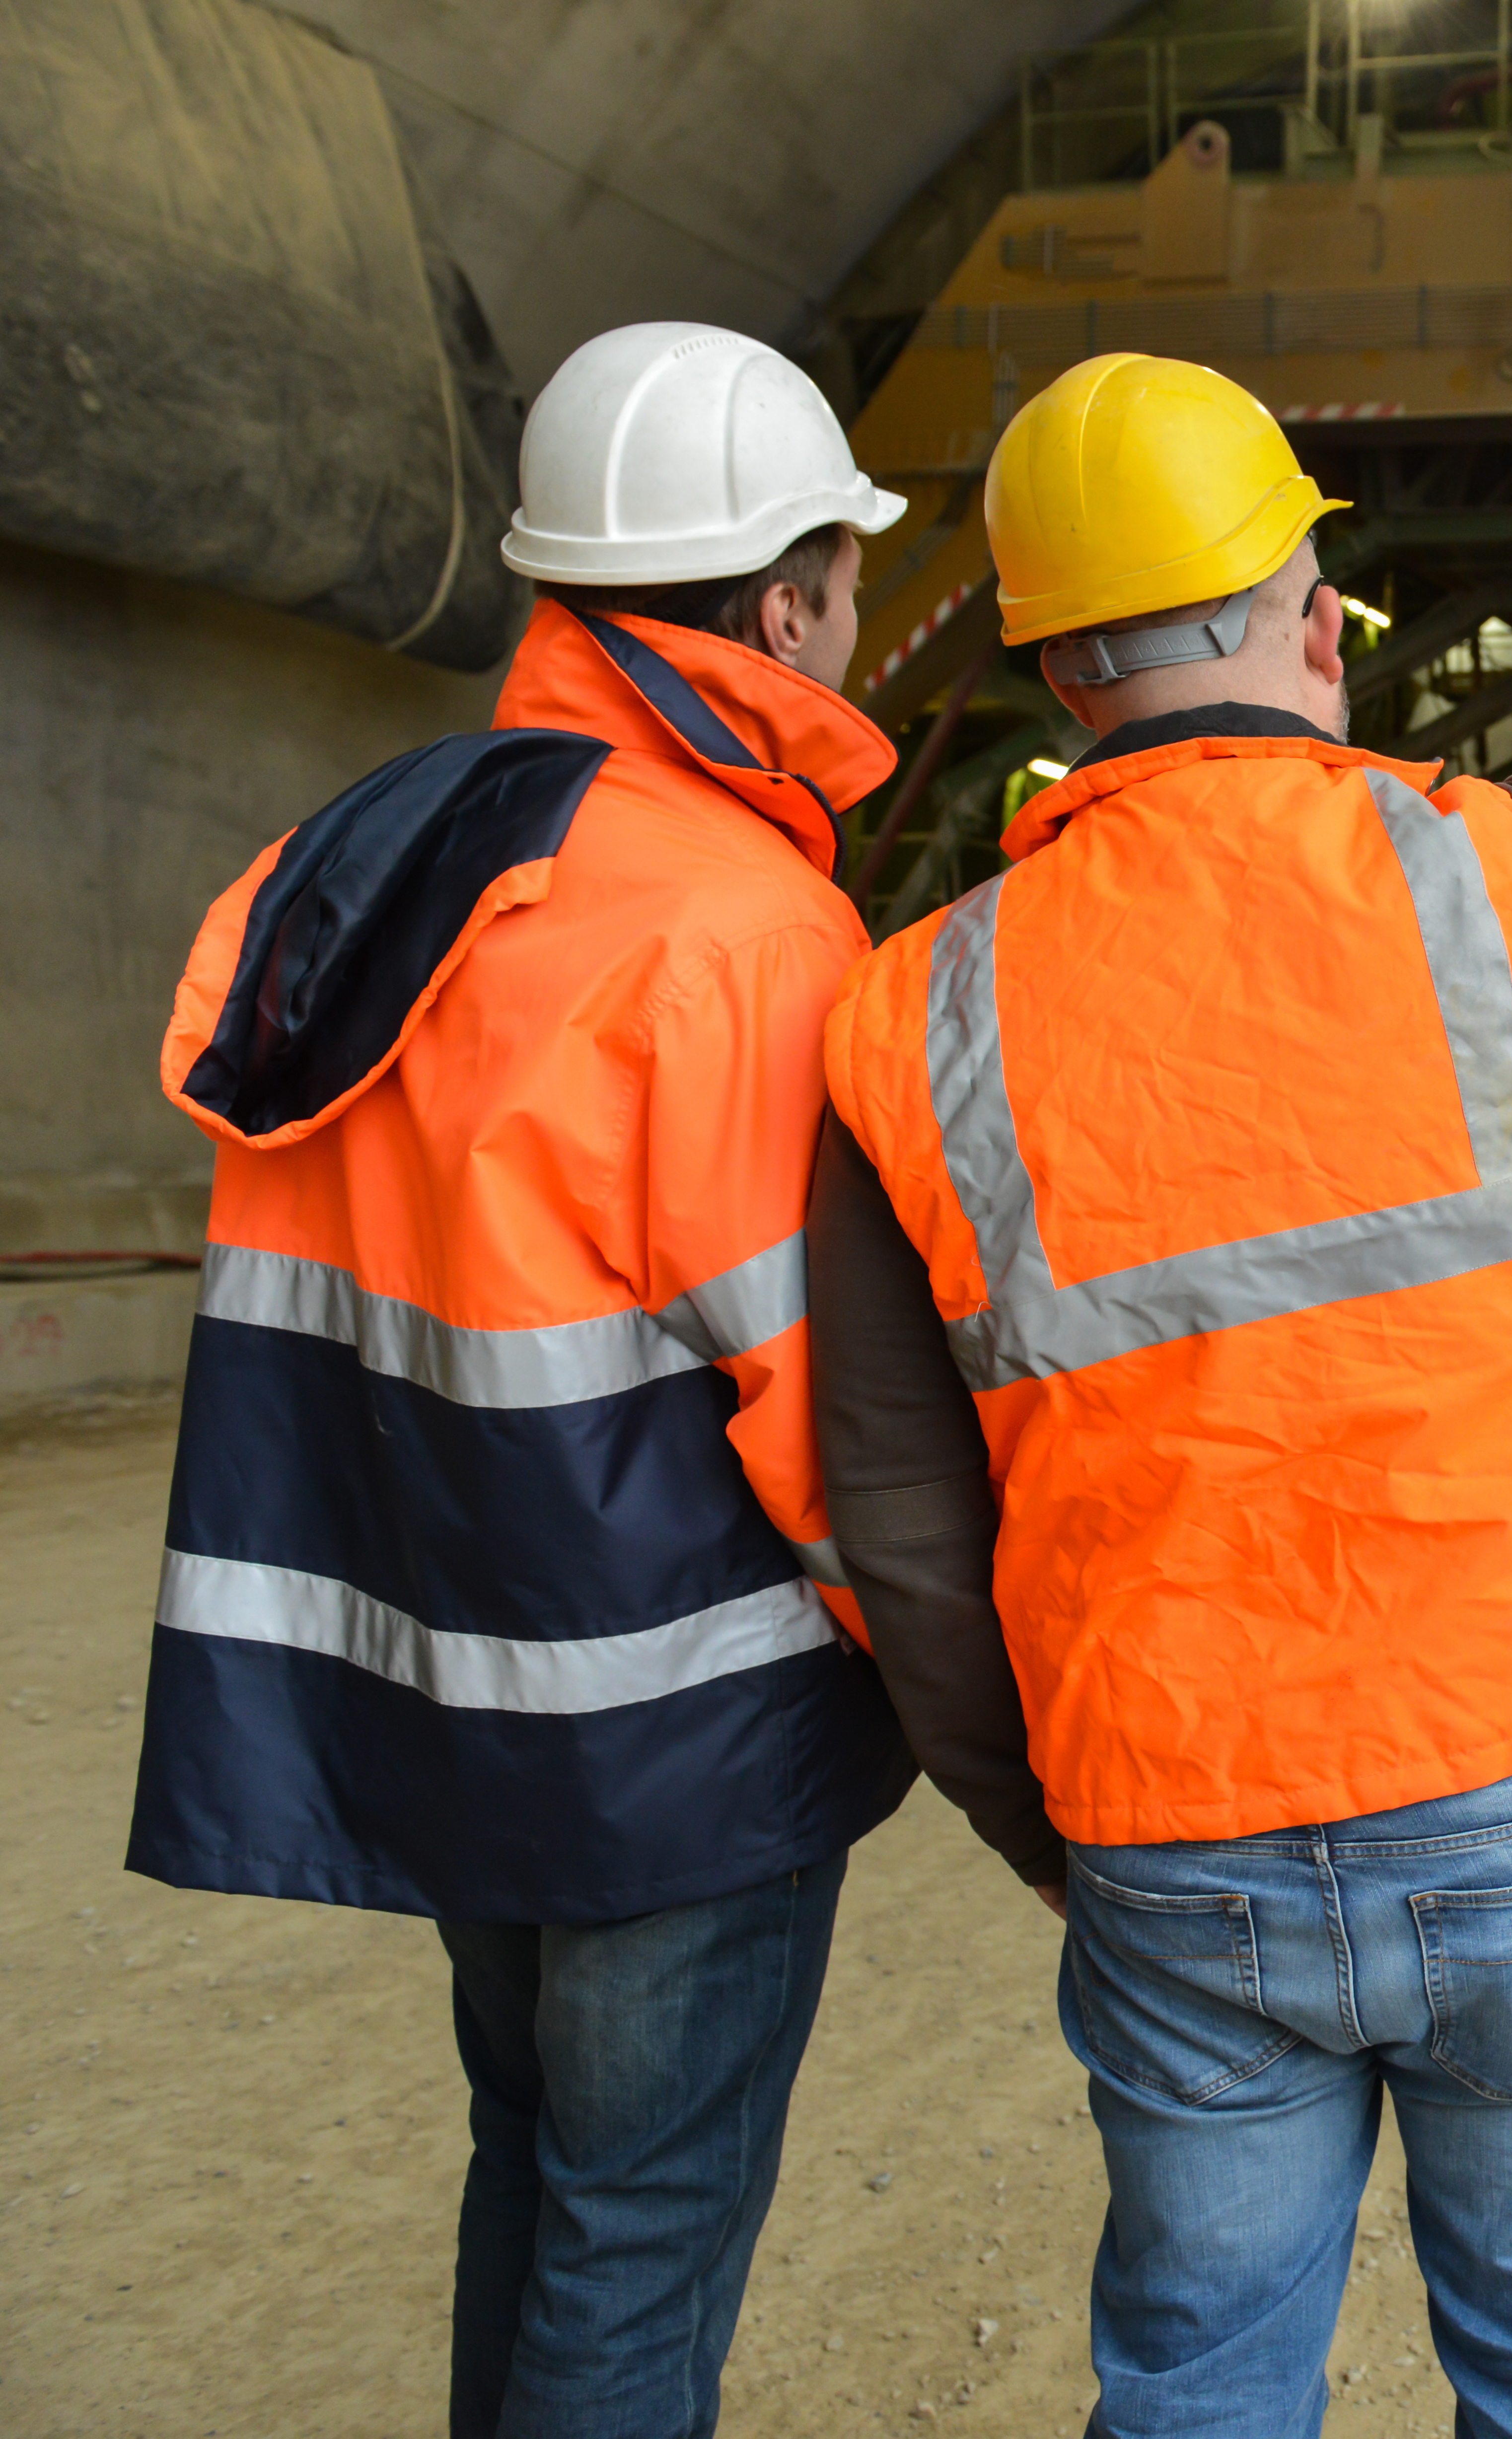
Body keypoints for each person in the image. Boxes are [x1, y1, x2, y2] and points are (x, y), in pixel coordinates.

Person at [807, 351, 1512, 2439]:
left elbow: (889, 1510)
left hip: (1172, 1814)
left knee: (1204, 2391)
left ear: (1061, 679)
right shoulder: (1507, 883)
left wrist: (1034, 1815)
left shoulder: (911, 1015)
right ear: (1320, 626)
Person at [132, 321, 919, 2439]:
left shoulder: (383, 860)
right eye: (846, 575)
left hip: (450, 1704)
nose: (859, 623)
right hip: (674, 1745)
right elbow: (832, 1412)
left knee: (542, 2176)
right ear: (783, 606)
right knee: (643, 2234)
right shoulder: (743, 933)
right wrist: (975, 1690)